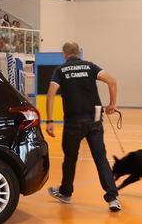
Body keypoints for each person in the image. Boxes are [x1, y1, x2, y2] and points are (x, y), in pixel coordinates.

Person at [45, 42, 122, 212]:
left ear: (64, 54)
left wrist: (49, 121)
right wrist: (112, 105)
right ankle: (112, 198)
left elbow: (51, 94)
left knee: (70, 159)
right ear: (78, 52)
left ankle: (66, 193)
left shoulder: (60, 70)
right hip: (94, 119)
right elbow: (112, 81)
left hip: (73, 121)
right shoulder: (90, 67)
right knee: (100, 158)